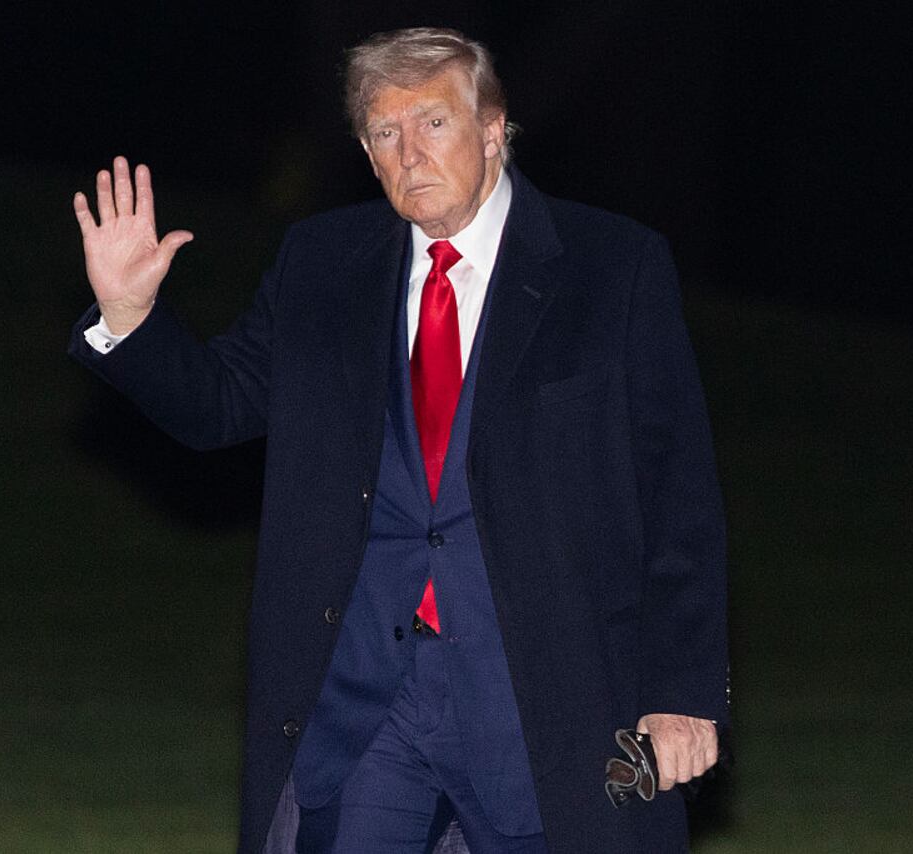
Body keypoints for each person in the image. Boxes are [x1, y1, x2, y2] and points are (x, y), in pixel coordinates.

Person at [69, 26, 727, 854]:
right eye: (386, 132)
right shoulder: (322, 264)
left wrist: (682, 691)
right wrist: (129, 318)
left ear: (494, 130)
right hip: (365, 703)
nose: (410, 152)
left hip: (541, 699)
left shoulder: (611, 269)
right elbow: (218, 405)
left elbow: (680, 497)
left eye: (434, 124)